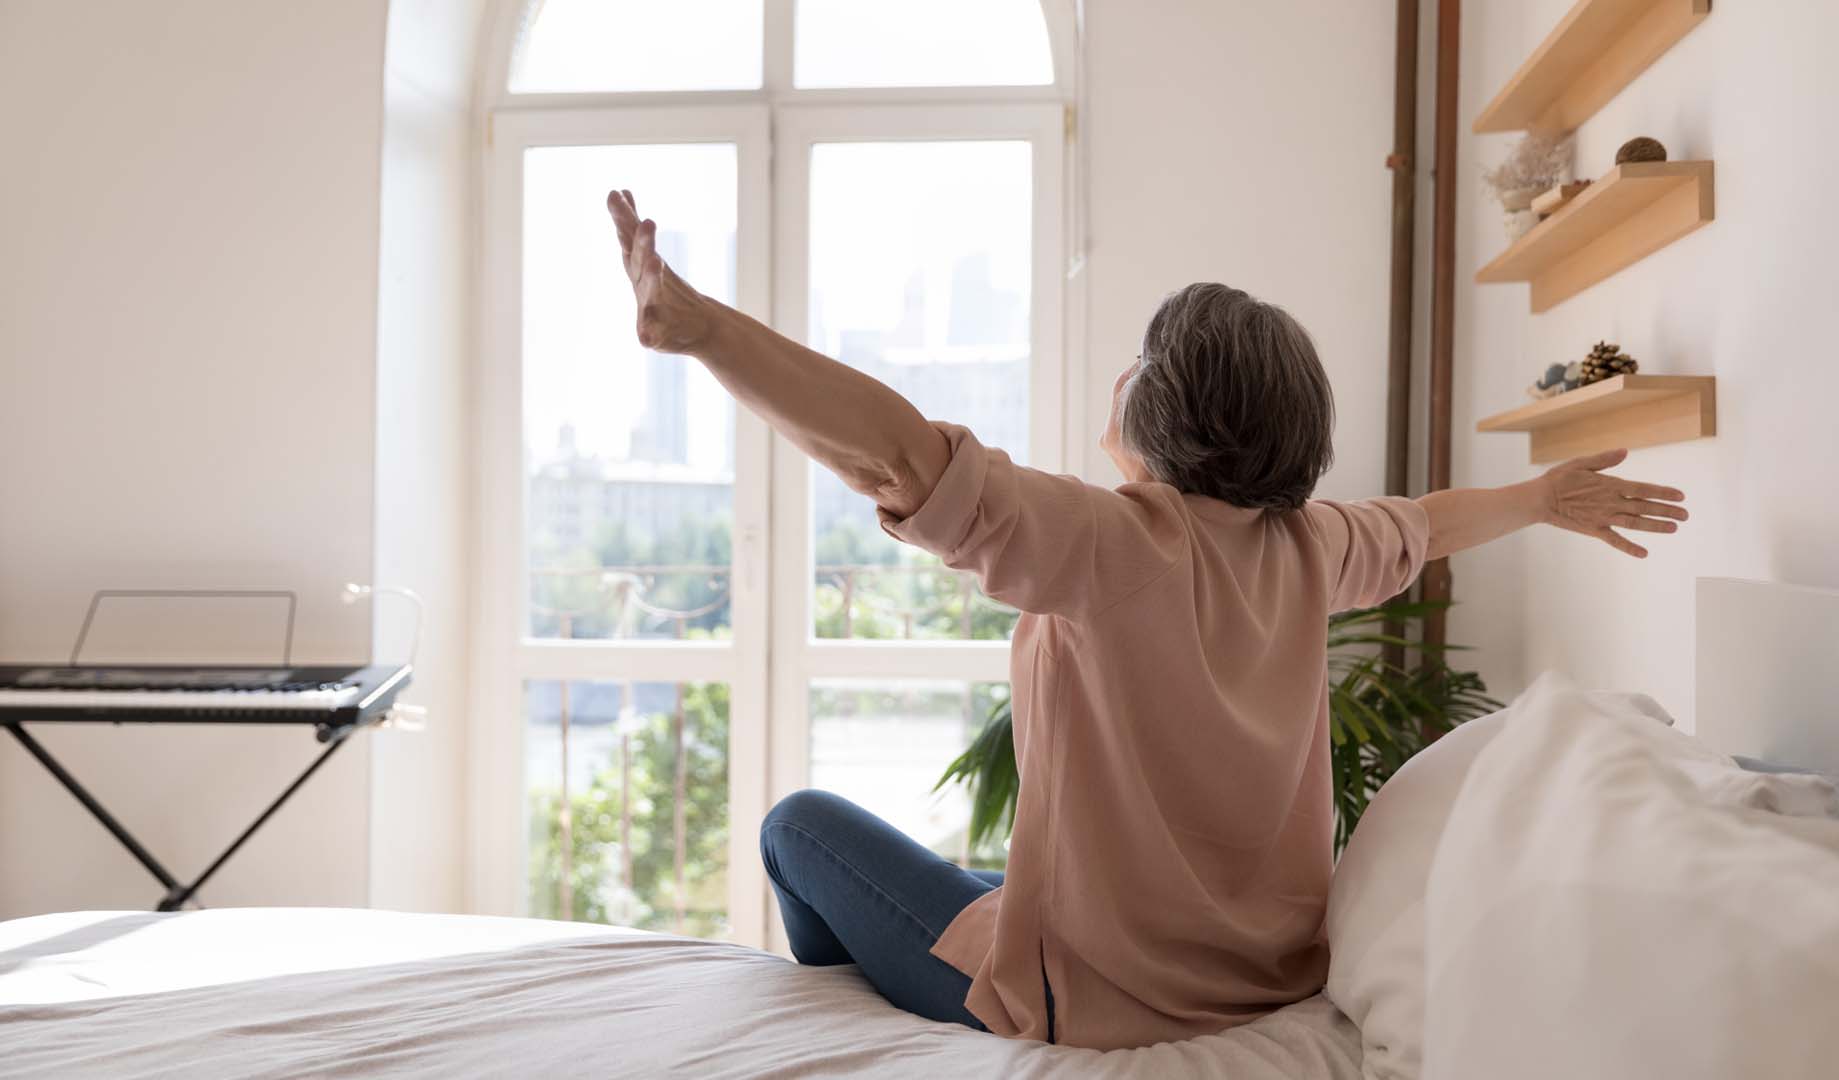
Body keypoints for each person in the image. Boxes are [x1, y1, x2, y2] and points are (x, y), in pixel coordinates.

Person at [603, 191, 1689, 1051]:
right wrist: (1543, 500)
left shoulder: (1110, 543)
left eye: (1144, 358)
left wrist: (705, 331)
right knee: (985, 875)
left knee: (796, 826)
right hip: (1257, 972)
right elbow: (1426, 527)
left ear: (1158, 405)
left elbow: (895, 448)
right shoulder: (1309, 546)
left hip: (1109, 998)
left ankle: (896, 1045)